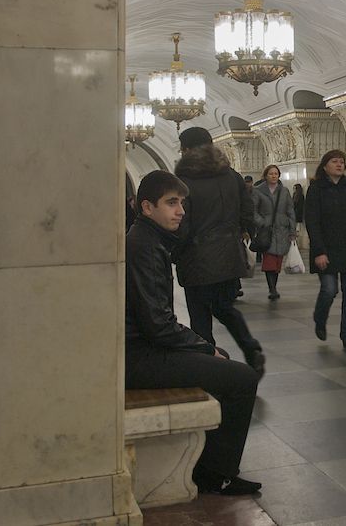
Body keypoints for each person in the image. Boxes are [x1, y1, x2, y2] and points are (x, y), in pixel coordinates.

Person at [125, 170, 261, 495]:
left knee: (226, 363)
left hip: (141, 348)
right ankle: (216, 473)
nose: (181, 211)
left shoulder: (148, 240)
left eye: (182, 203)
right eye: (171, 203)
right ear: (146, 207)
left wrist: (201, 347)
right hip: (138, 357)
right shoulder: (144, 247)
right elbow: (158, 325)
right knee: (242, 379)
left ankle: (209, 466)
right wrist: (201, 346)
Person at [172, 127, 265, 379]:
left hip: (197, 257)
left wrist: (174, 253)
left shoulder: (184, 180)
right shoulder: (232, 176)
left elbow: (183, 222)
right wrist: (241, 231)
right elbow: (248, 212)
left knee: (200, 315)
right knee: (225, 307)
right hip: (229, 254)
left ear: (188, 150)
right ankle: (250, 347)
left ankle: (209, 368)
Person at [306, 150, 346, 351]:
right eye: (335, 162)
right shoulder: (316, 189)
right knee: (330, 289)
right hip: (326, 247)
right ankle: (320, 318)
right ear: (325, 166)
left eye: (342, 162)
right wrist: (319, 251)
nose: (339, 165)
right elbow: (312, 222)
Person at [253, 164, 296, 301]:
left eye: (276, 174)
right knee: (269, 260)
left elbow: (290, 211)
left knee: (278, 260)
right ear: (266, 175)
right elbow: (252, 210)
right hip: (267, 230)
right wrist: (262, 222)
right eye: (271, 174)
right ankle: (272, 288)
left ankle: (274, 285)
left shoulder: (284, 191)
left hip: (282, 229)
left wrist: (292, 229)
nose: (274, 176)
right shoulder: (258, 191)